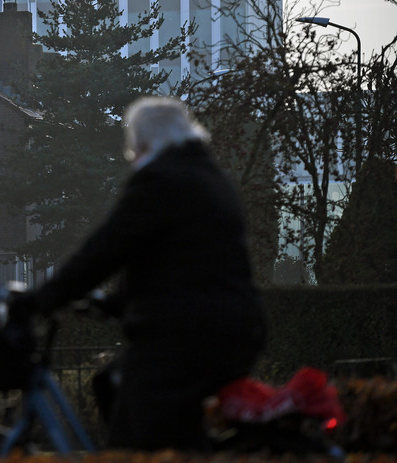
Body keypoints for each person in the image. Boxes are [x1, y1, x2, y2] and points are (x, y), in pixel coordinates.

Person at [18, 95, 266, 451]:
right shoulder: (209, 177)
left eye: (133, 146)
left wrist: (41, 299)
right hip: (234, 326)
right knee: (119, 387)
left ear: (145, 142)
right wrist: (116, 302)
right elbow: (171, 259)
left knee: (135, 427)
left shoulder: (162, 180)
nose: (132, 155)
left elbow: (105, 249)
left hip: (189, 333)